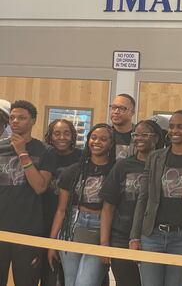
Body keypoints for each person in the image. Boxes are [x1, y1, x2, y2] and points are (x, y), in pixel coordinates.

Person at [130, 110, 182, 286]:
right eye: (172, 127)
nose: (174, 131)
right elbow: (143, 198)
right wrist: (134, 236)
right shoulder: (155, 157)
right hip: (152, 236)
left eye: (180, 127)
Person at [47, 123, 115, 286]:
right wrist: (51, 243)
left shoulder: (115, 169)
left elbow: (110, 208)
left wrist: (105, 243)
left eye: (103, 139)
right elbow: (61, 210)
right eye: (94, 137)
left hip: (100, 227)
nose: (97, 142)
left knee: (85, 282)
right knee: (70, 282)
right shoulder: (73, 170)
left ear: (111, 144)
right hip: (72, 226)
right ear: (88, 140)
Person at [99, 120, 165, 286]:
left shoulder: (165, 165)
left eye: (144, 135)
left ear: (156, 138)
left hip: (155, 238)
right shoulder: (123, 166)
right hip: (122, 237)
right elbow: (108, 206)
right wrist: (104, 243)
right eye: (135, 135)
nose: (138, 138)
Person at [0, 100, 57, 286]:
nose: (15, 121)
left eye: (22, 118)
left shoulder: (45, 151)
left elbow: (40, 186)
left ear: (33, 121)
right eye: (12, 117)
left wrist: (22, 153)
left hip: (28, 230)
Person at [42, 119, 83, 286]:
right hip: (44, 214)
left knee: (68, 273)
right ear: (50, 136)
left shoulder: (81, 157)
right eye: (57, 133)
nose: (62, 137)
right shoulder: (44, 154)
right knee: (47, 268)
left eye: (66, 133)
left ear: (73, 136)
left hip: (70, 218)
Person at [110, 93, 136, 159]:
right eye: (113, 107)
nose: (116, 111)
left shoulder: (139, 136)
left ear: (132, 112)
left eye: (122, 108)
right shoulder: (104, 133)